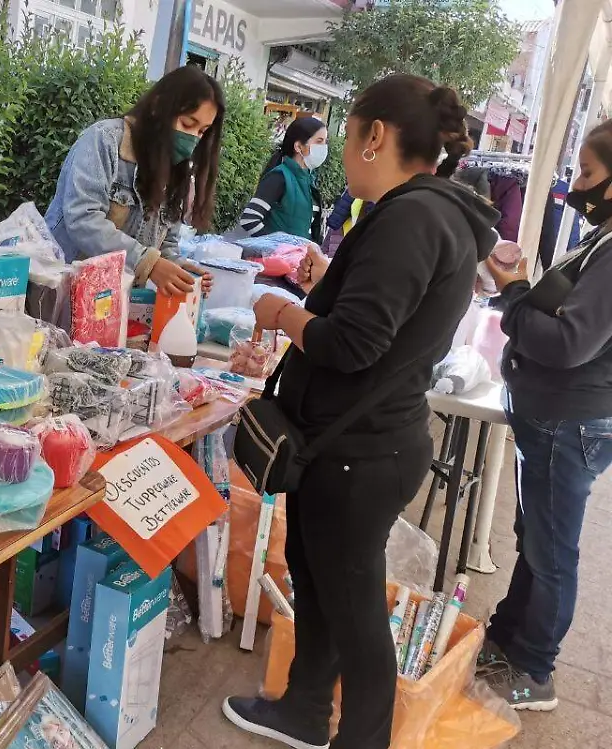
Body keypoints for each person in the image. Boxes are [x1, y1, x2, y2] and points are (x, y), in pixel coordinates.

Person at [222, 74, 498, 749]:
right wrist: (330, 285)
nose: (341, 152)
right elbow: (387, 321)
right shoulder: (431, 212)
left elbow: (352, 344)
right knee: (320, 584)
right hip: (355, 443)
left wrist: (280, 311)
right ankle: (305, 709)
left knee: (355, 615)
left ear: (375, 136)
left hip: (360, 452)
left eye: (346, 135)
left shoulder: (411, 216)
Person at [479, 120, 612, 712]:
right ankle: (510, 638)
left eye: (588, 173)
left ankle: (535, 672)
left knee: (553, 550)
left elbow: (567, 342)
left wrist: (513, 293)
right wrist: (523, 285)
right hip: (556, 417)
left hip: (569, 420)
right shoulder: (601, 239)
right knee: (538, 538)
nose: (577, 185)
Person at [45, 65, 220, 296]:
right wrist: (147, 262)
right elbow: (82, 218)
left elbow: (166, 244)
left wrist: (180, 271)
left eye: (202, 131)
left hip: (113, 300)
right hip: (61, 292)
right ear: (158, 106)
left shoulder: (176, 170)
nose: (192, 138)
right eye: (188, 124)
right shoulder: (105, 140)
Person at [237, 116, 329, 242]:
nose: (324, 147)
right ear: (298, 146)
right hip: (274, 255)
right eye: (319, 141)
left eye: (325, 141)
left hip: (299, 254)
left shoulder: (309, 180)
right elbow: (250, 218)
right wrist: (276, 247)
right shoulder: (280, 176)